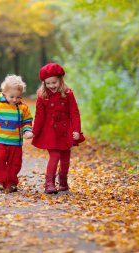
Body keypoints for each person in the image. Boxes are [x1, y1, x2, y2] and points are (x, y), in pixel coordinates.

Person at [32, 63, 85, 194]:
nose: (51, 86)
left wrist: (76, 131)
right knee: (54, 156)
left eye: (54, 82)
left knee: (66, 158)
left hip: (66, 129)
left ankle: (63, 181)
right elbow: (39, 116)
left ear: (60, 80)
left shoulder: (68, 94)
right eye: (48, 83)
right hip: (50, 130)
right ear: (44, 83)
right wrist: (34, 132)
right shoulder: (42, 96)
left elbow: (74, 113)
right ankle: (49, 183)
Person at [0, 75, 33, 193]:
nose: (15, 99)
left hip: (16, 141)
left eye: (18, 97)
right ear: (4, 93)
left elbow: (27, 121)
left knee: (15, 162)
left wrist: (27, 131)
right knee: (0, 160)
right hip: (0, 140)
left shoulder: (23, 108)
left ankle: (11, 182)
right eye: (12, 97)